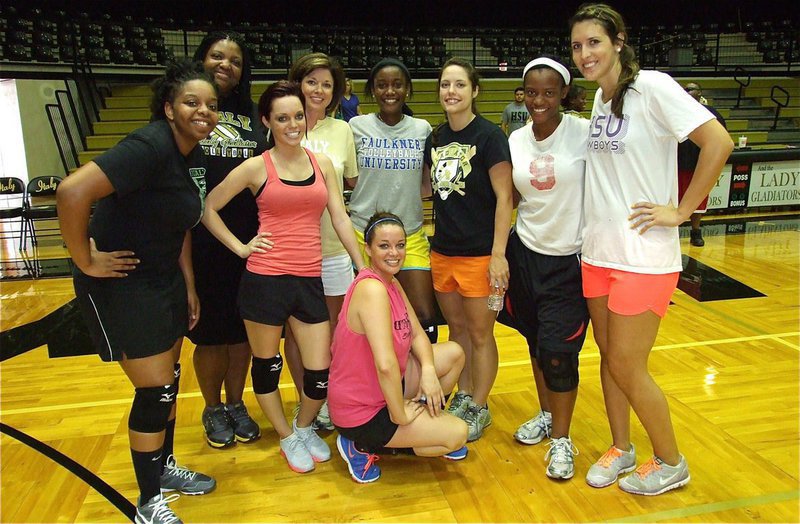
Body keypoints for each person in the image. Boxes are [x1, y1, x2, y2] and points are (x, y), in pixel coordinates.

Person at [570, 3, 733, 495]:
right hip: (597, 252)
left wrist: (682, 211)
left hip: (643, 256)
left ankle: (671, 460)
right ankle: (622, 446)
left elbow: (718, 143)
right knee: (607, 355)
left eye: (594, 42)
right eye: (577, 46)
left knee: (627, 363)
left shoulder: (653, 87)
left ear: (618, 40)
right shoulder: (601, 99)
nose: (584, 54)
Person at [57, 59, 219, 523]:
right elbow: (72, 192)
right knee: (155, 393)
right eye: (191, 102)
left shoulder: (193, 153)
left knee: (168, 382)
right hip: (123, 282)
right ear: (169, 108)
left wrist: (187, 283)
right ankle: (147, 504)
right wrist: (83, 258)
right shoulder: (148, 145)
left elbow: (181, 222)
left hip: (164, 278)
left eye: (210, 104)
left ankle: (162, 469)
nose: (203, 111)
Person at [201, 80, 366, 474]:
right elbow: (208, 206)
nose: (292, 124)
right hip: (265, 279)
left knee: (319, 370)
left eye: (297, 116)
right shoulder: (257, 166)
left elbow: (339, 217)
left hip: (310, 277)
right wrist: (241, 247)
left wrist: (361, 264)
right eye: (282, 118)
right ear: (266, 122)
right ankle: (286, 436)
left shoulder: (321, 164)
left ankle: (305, 424)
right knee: (267, 365)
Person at [328, 212, 468, 483]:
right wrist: (399, 413)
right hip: (361, 410)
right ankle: (359, 444)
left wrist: (428, 370)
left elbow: (417, 334)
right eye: (384, 246)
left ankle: (423, 428)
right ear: (368, 249)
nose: (394, 253)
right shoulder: (372, 290)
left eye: (400, 245)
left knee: (453, 354)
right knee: (456, 434)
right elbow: (386, 364)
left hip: (388, 388)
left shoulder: (392, 283)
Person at [506, 56, 590, 481]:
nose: (540, 101)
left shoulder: (583, 132)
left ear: (563, 95)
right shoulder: (516, 139)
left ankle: (562, 439)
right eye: (532, 93)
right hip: (525, 255)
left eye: (549, 93)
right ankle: (544, 414)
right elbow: (511, 199)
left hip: (569, 261)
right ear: (524, 94)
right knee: (537, 346)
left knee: (560, 355)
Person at [424, 57, 513, 442]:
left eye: (460, 85)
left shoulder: (490, 137)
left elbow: (505, 198)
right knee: (457, 329)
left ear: (474, 91)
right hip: (443, 252)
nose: (451, 92)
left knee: (481, 334)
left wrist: (498, 254)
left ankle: (480, 404)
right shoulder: (437, 137)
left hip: (480, 256)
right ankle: (463, 394)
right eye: (446, 85)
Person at [189, 31, 267, 449]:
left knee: (242, 332)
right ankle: (212, 406)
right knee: (210, 333)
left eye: (234, 60)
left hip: (251, 239)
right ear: (201, 60)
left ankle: (236, 403)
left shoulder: (255, 116)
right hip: (201, 241)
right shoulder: (185, 111)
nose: (226, 65)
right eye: (217, 56)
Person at [286, 53, 359, 431]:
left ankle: (328, 397)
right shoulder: (283, 125)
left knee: (334, 331)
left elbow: (348, 190)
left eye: (327, 84)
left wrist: (358, 258)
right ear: (298, 83)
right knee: (297, 333)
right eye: (311, 81)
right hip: (291, 253)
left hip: (331, 250)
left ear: (336, 92)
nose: (318, 89)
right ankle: (305, 403)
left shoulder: (343, 131)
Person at [348, 58, 438, 344]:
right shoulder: (356, 126)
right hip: (362, 234)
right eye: (382, 85)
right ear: (372, 90)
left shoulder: (421, 129)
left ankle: (419, 381)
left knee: (423, 315)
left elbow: (426, 184)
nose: (390, 91)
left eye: (397, 85)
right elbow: (350, 178)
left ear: (407, 90)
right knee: (368, 317)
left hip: (409, 235)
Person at [680, 82, 727, 247]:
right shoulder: (676, 111)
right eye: (685, 89)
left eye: (690, 89)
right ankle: (671, 234)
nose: (687, 92)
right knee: (673, 198)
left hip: (699, 164)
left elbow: (721, 140)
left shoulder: (711, 114)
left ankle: (695, 231)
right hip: (676, 163)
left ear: (700, 93)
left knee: (698, 200)